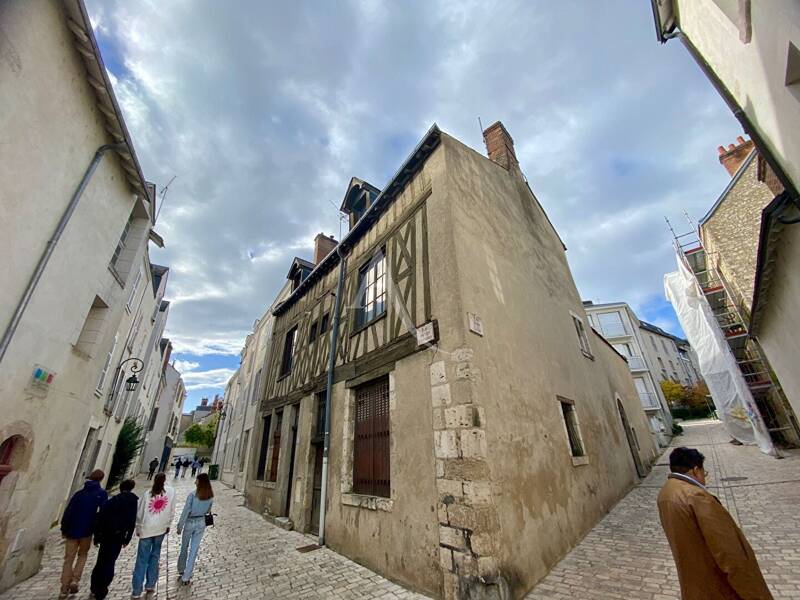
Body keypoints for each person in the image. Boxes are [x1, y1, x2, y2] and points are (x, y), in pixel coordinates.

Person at [657, 447, 773, 600]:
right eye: (704, 473)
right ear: (696, 470)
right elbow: (730, 553)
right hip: (718, 586)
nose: (704, 478)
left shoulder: (666, 492)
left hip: (695, 583)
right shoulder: (696, 496)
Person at [59, 469, 108, 599]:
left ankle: (64, 588)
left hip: (72, 530)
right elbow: (102, 514)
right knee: (82, 555)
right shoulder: (101, 494)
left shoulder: (79, 494)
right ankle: (75, 579)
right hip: (87, 531)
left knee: (68, 559)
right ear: (101, 479)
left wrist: (64, 529)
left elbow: (68, 512)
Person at [89, 479, 138, 600]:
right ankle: (103, 587)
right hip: (119, 535)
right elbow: (132, 521)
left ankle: (95, 586)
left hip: (106, 535)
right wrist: (128, 537)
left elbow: (100, 518)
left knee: (101, 561)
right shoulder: (132, 501)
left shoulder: (110, 502)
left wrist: (97, 536)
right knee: (110, 561)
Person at [131, 473, 175, 599]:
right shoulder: (170, 492)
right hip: (160, 529)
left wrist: (138, 527)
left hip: (146, 529)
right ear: (165, 481)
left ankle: (136, 590)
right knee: (155, 556)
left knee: (141, 560)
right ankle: (150, 584)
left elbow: (140, 513)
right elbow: (171, 510)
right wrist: (168, 524)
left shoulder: (147, 494)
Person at [176, 473, 214, 586]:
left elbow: (185, 511)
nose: (195, 482)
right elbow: (208, 511)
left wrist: (179, 526)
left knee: (184, 547)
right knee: (194, 550)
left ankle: (181, 569)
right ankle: (186, 576)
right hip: (201, 522)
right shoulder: (210, 496)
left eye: (196, 480)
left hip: (190, 522)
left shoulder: (192, 495)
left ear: (200, 482)